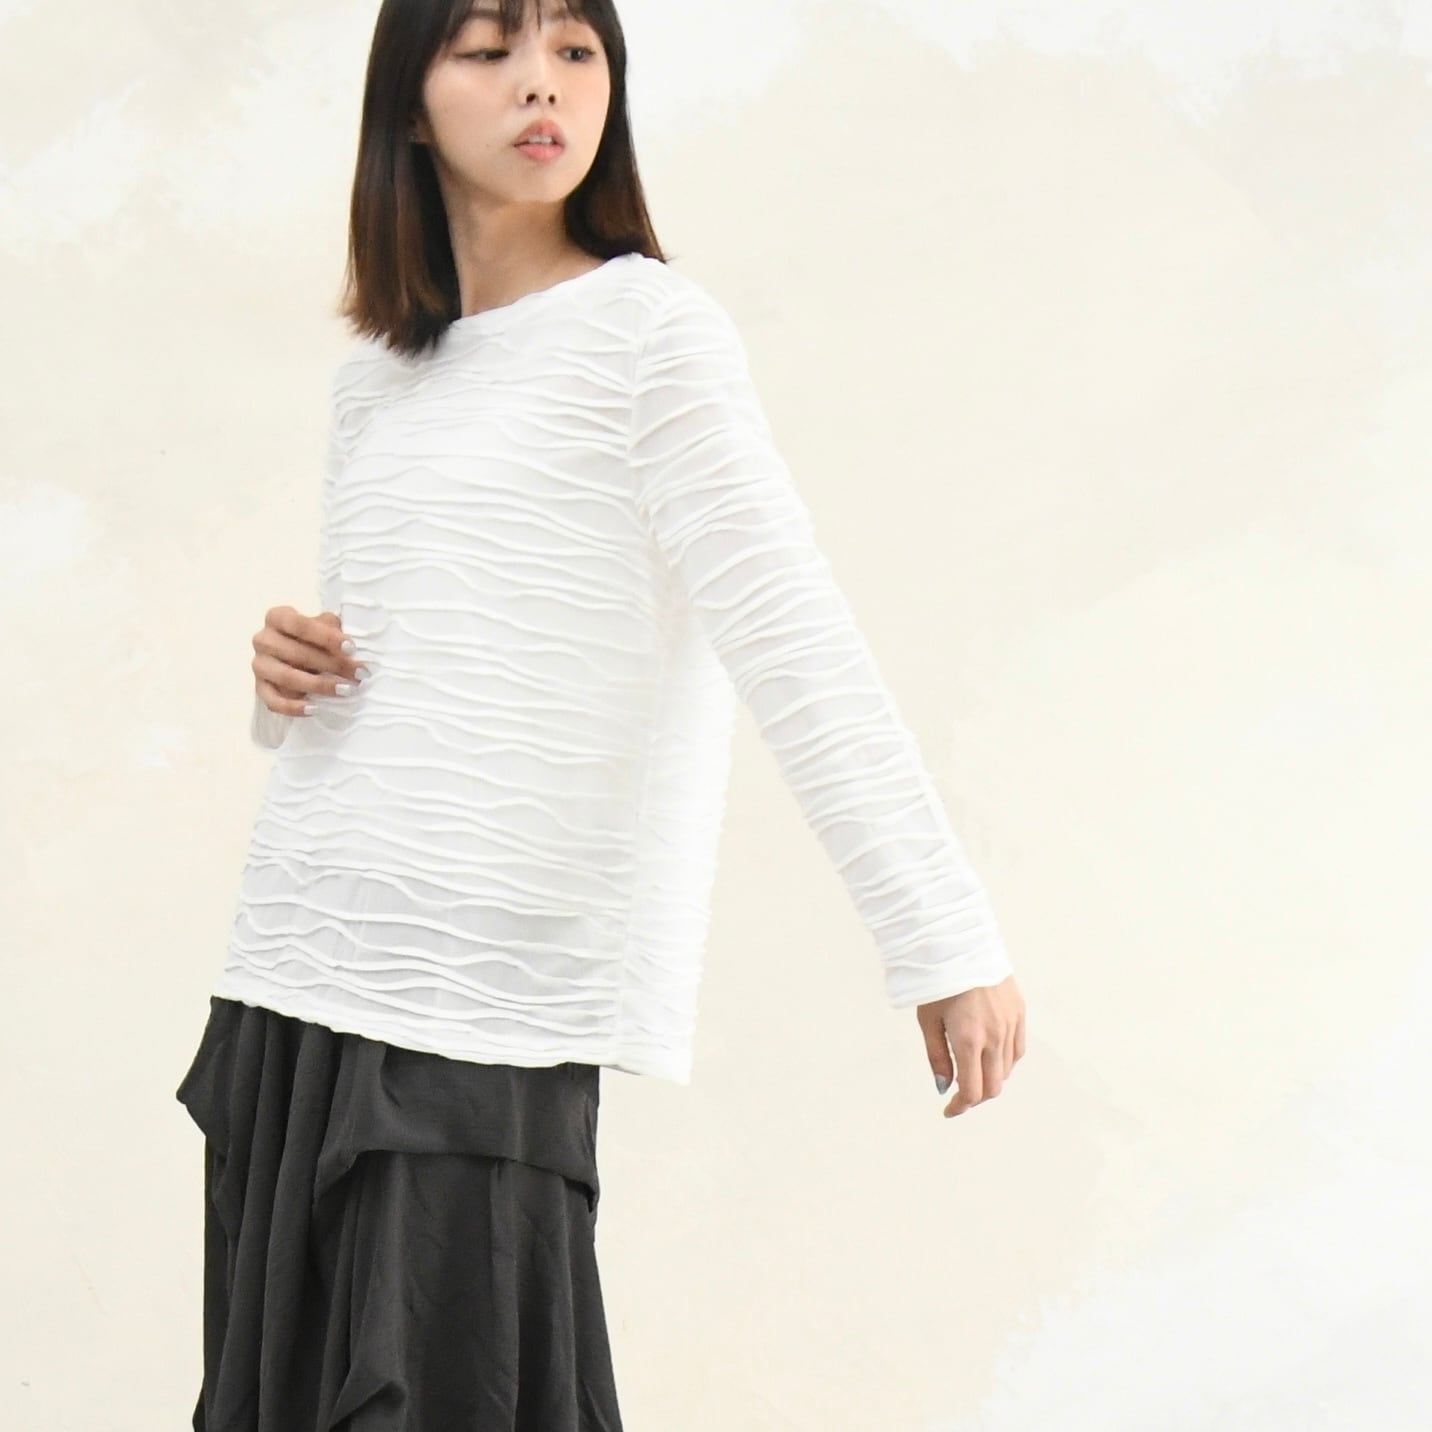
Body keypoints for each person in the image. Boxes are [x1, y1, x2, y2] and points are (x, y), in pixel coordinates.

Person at [175, 0, 1028, 1427]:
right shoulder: (379, 381)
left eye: (575, 51)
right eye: (489, 50)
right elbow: (388, 683)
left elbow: (789, 631)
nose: (542, 86)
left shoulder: (649, 333)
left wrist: (942, 937)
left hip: (487, 990)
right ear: (408, 105)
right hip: (299, 958)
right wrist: (284, 684)